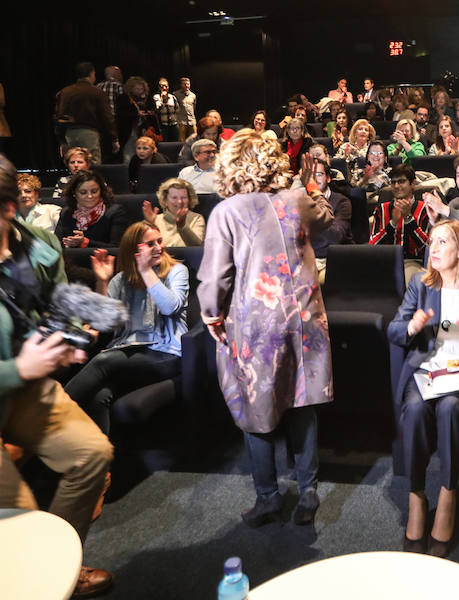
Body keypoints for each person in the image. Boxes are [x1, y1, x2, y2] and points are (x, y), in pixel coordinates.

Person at [197, 130, 334, 528]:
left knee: (253, 407)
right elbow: (324, 220)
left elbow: (216, 275)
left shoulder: (227, 211)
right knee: (302, 402)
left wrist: (211, 314)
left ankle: (268, 497)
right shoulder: (297, 199)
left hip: (258, 324)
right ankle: (308, 491)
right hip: (305, 318)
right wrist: (309, 183)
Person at [0, 155, 115, 599]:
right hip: (14, 374)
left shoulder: (37, 242)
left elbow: (54, 302)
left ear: (9, 210)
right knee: (18, 516)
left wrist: (69, 332)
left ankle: (59, 565)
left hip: (27, 387)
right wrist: (19, 367)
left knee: (91, 455)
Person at [387, 220, 459, 557]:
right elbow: (395, 330)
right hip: (427, 367)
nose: (433, 249)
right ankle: (417, 494)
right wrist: (412, 325)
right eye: (432, 242)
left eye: (442, 242)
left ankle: (449, 493)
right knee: (416, 408)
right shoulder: (419, 285)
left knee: (451, 405)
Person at [65, 221, 188, 435]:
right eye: (150, 244)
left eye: (160, 241)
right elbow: (103, 321)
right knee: (99, 396)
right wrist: (102, 281)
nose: (159, 247)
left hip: (166, 353)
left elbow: (170, 307)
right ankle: (103, 463)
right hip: (129, 352)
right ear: (134, 251)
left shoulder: (177, 270)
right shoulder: (121, 280)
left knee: (105, 360)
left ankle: (47, 419)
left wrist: (147, 271)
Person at [369, 163, 431, 283]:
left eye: (401, 181)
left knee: (407, 280)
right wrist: (392, 223)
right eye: (393, 182)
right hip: (385, 260)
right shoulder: (382, 209)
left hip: (413, 261)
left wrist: (408, 218)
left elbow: (427, 247)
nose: (396, 186)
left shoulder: (425, 208)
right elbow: (373, 245)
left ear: (413, 183)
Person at [55, 62, 119, 164]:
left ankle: (76, 180)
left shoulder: (65, 92)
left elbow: (59, 116)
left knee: (73, 162)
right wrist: (114, 138)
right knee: (92, 163)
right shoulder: (97, 93)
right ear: (92, 74)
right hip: (89, 133)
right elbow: (107, 117)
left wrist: (62, 140)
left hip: (69, 133)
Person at [55, 170, 129, 249]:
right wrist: (66, 245)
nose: (90, 196)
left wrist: (86, 242)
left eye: (94, 191)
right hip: (71, 259)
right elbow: (55, 244)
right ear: (74, 193)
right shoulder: (66, 213)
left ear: (101, 191)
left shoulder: (115, 212)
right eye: (83, 192)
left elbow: (117, 248)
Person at [308, 158, 352, 281]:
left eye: (319, 174)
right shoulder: (301, 201)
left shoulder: (342, 202)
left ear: (328, 178)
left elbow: (335, 236)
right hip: (306, 258)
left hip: (331, 257)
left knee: (316, 280)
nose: (314, 179)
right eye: (310, 175)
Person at [142, 178, 205, 247]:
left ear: (189, 199)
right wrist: (149, 223)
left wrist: (182, 226)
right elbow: (143, 246)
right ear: (165, 200)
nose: (180, 202)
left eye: (183, 197)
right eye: (174, 197)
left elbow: (197, 246)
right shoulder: (155, 219)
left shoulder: (197, 218)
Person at [152, 78, 181, 142]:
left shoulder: (172, 97)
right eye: (162, 86)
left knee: (176, 141)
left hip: (174, 124)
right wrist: (163, 99)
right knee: (164, 141)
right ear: (159, 87)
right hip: (163, 125)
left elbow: (177, 109)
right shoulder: (156, 97)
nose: (164, 88)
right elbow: (157, 109)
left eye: (166, 86)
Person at [173, 77, 197, 141]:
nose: (186, 86)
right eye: (184, 84)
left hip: (191, 120)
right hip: (181, 120)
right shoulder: (176, 94)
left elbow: (194, 106)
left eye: (188, 84)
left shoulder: (193, 95)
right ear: (181, 85)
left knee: (194, 138)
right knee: (181, 139)